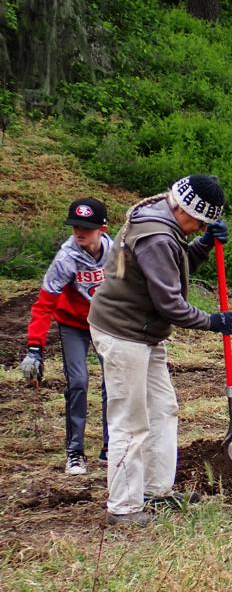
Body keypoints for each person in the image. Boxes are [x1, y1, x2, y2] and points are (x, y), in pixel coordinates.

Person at [88, 175, 232, 527]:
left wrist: (202, 243)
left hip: (144, 334)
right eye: (200, 222)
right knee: (130, 421)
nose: (200, 226)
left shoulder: (167, 221)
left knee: (163, 410)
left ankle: (154, 490)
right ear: (183, 209)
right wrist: (211, 321)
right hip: (124, 334)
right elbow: (169, 301)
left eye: (206, 224)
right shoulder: (156, 235)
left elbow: (173, 268)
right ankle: (123, 508)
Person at [21, 197, 113, 475]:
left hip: (106, 323)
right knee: (79, 382)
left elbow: (131, 289)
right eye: (75, 226)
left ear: (102, 229)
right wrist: (34, 348)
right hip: (73, 324)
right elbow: (44, 303)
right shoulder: (65, 258)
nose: (79, 232)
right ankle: (75, 451)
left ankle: (111, 445)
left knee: (115, 381)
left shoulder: (117, 253)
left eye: (86, 227)